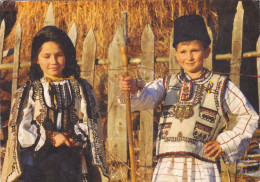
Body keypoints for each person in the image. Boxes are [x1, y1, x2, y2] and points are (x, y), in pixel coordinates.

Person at [118, 14, 259, 181]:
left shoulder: (221, 85)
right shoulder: (167, 84)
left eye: (194, 50)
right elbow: (145, 97)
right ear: (176, 54)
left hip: (202, 166)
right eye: (183, 51)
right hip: (167, 166)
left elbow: (250, 116)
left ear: (207, 51)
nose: (189, 57)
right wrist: (133, 88)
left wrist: (225, 143)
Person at [1, 26, 109, 182]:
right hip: (38, 164)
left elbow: (92, 123)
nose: (53, 62)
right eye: (47, 56)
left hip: (74, 162)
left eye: (59, 55)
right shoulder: (28, 92)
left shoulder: (81, 88)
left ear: (67, 56)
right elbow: (21, 130)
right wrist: (51, 136)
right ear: (36, 59)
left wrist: (71, 136)